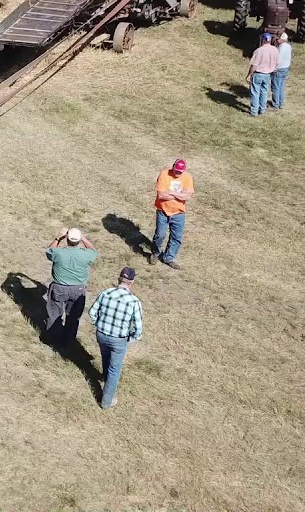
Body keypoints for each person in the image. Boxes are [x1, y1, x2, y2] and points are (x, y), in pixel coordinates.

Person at [89, 267, 144, 409]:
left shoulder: (106, 293)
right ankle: (106, 402)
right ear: (131, 282)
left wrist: (98, 325)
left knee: (105, 358)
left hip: (101, 334)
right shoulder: (134, 301)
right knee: (115, 369)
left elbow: (92, 312)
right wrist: (130, 339)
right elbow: (138, 328)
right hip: (119, 339)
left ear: (119, 279)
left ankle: (106, 380)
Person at [44, 227, 97, 346]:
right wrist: (84, 238)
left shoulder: (59, 253)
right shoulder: (86, 255)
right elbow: (93, 250)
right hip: (78, 290)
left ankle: (53, 340)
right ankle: (68, 341)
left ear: (66, 239)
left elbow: (49, 250)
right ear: (78, 241)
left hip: (59, 288)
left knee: (54, 314)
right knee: (73, 317)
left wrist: (58, 238)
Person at [150, 158, 194, 269]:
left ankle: (168, 258)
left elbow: (188, 196)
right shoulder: (164, 175)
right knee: (160, 235)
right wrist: (179, 194)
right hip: (163, 211)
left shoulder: (187, 178)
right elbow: (161, 195)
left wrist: (170, 192)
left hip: (179, 213)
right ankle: (155, 253)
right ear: (173, 167)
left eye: (180, 171)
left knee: (176, 238)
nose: (178, 173)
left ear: (184, 170)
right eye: (176, 170)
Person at [246, 32, 280, 116]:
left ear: (263, 40)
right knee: (264, 92)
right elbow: (278, 62)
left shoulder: (259, 50)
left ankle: (254, 111)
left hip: (258, 74)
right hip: (268, 74)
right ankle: (262, 109)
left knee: (255, 92)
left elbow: (254, 65)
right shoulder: (275, 50)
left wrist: (249, 74)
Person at [270, 31, 292, 110]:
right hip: (285, 69)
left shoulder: (281, 48)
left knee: (275, 87)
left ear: (281, 39)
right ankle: (281, 103)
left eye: (278, 39)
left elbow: (278, 60)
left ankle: (275, 104)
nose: (276, 40)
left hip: (279, 70)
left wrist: (273, 68)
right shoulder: (288, 46)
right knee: (281, 87)